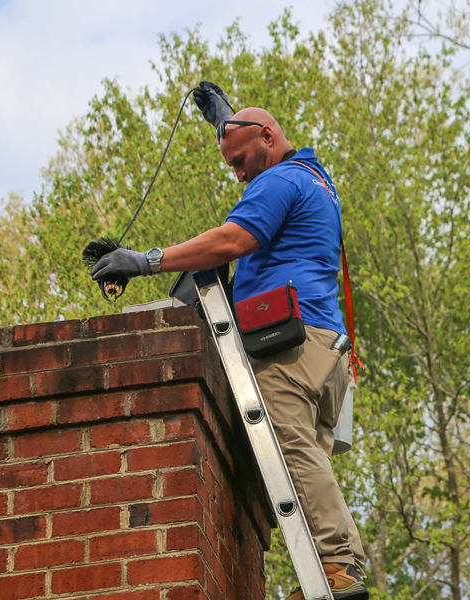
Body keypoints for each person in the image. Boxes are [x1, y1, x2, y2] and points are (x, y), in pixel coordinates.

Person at [91, 81, 368, 600]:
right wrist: (225, 122)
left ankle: (339, 566)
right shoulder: (311, 178)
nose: (239, 174)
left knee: (290, 451)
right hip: (326, 351)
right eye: (232, 165)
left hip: (293, 344)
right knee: (306, 460)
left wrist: (145, 261)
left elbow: (232, 240)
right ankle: (335, 565)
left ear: (268, 136)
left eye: (241, 159)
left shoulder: (280, 181)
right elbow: (250, 146)